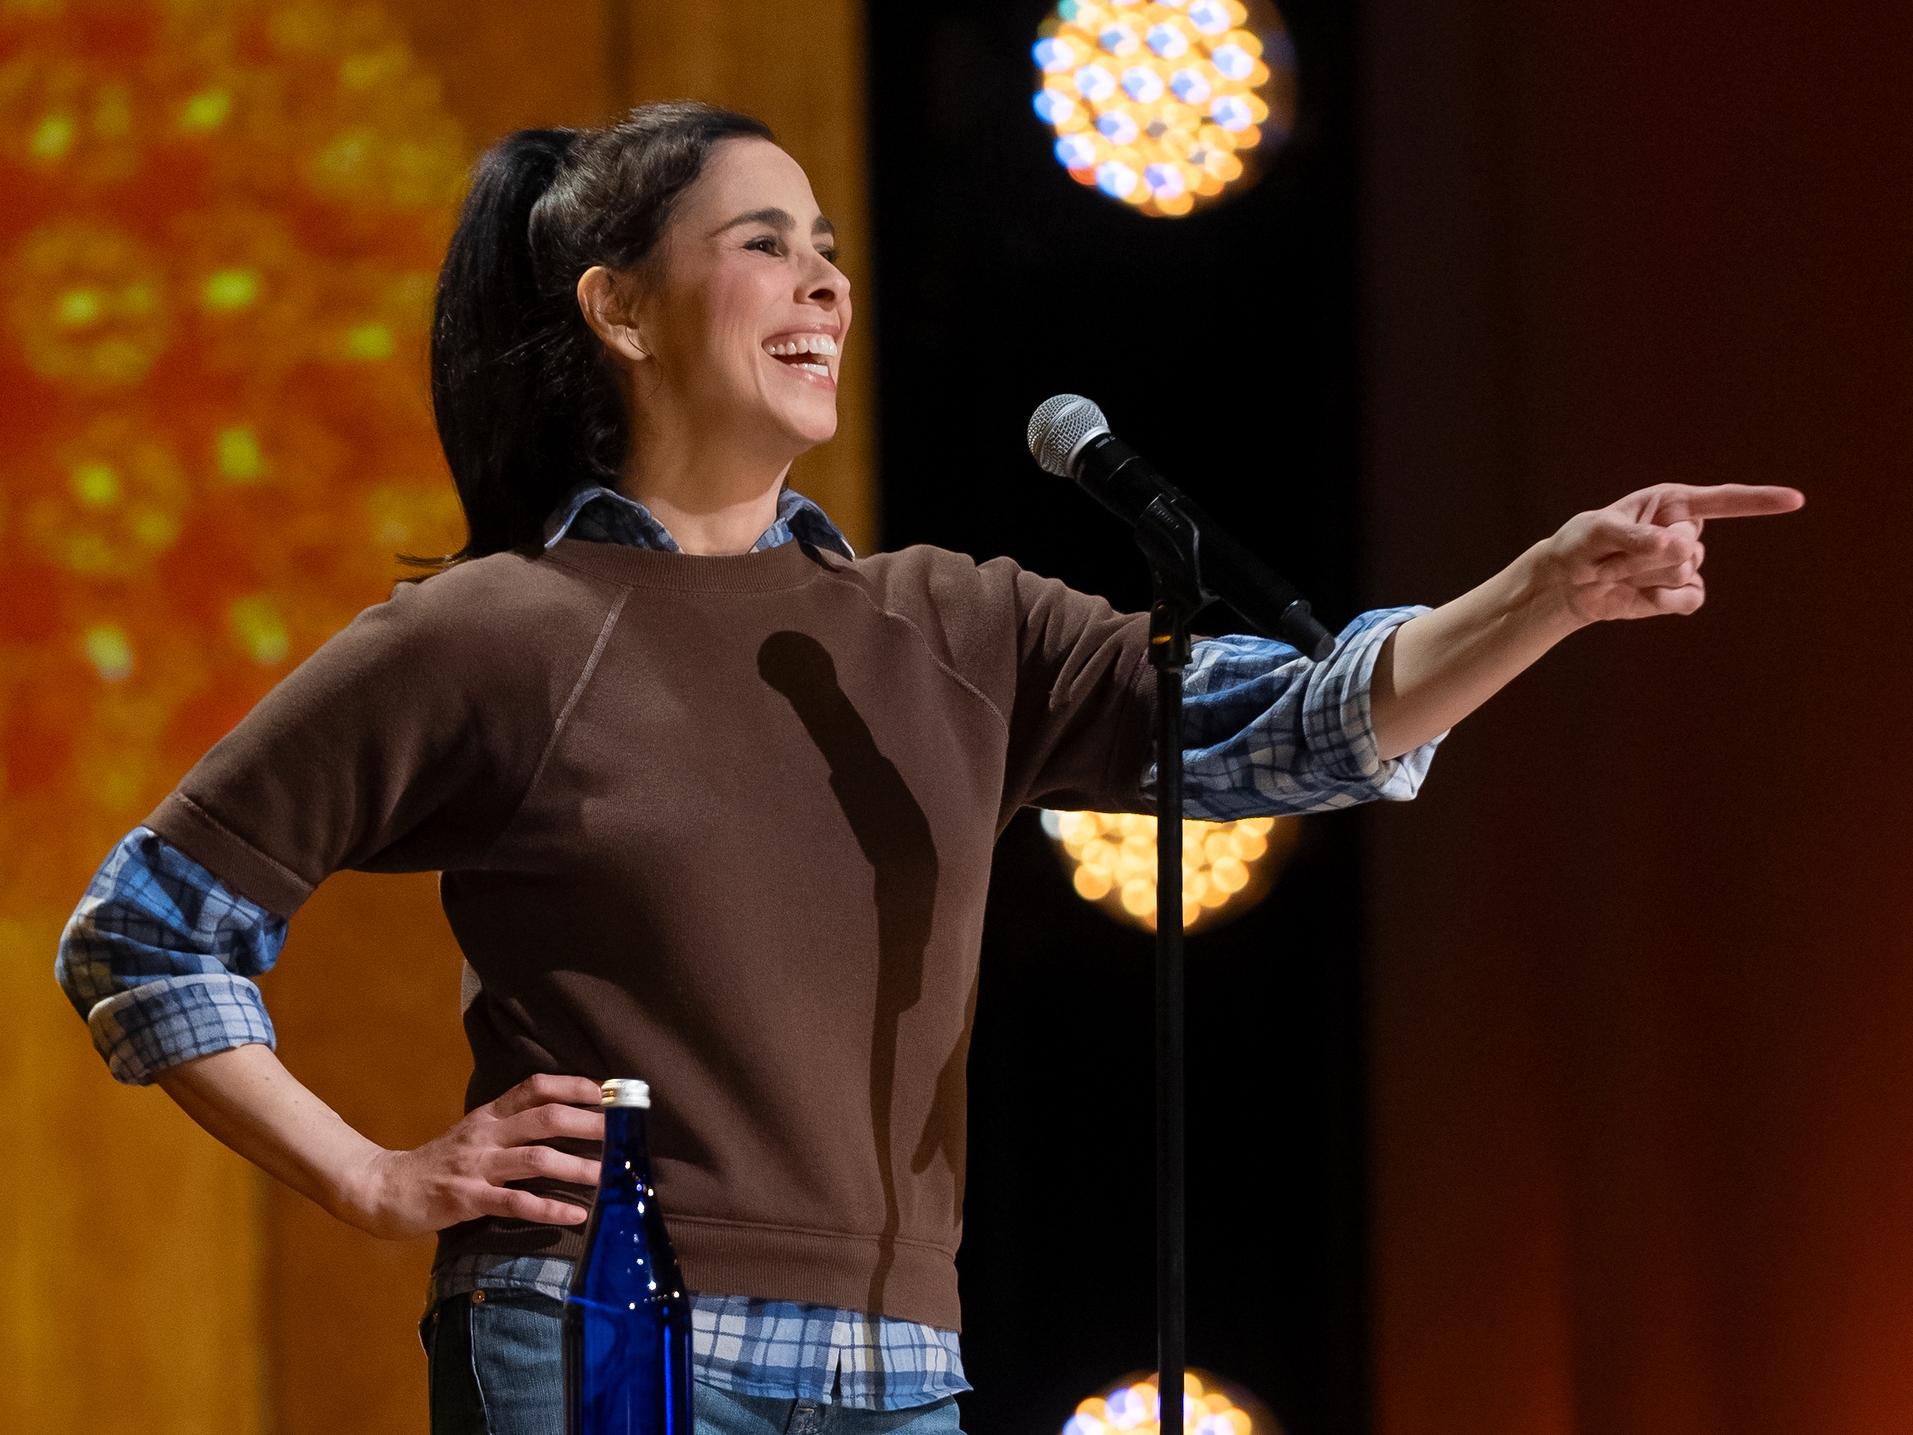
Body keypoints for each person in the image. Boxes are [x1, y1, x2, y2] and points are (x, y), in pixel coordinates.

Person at [53, 103, 1801, 1435]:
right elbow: (142, 931)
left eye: (826, 242)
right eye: (760, 242)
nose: (822, 277)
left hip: (901, 1361)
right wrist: (374, 1178)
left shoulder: (950, 622)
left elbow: (1301, 729)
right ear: (620, 310)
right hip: (605, 1335)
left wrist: (1548, 591)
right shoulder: (504, 627)